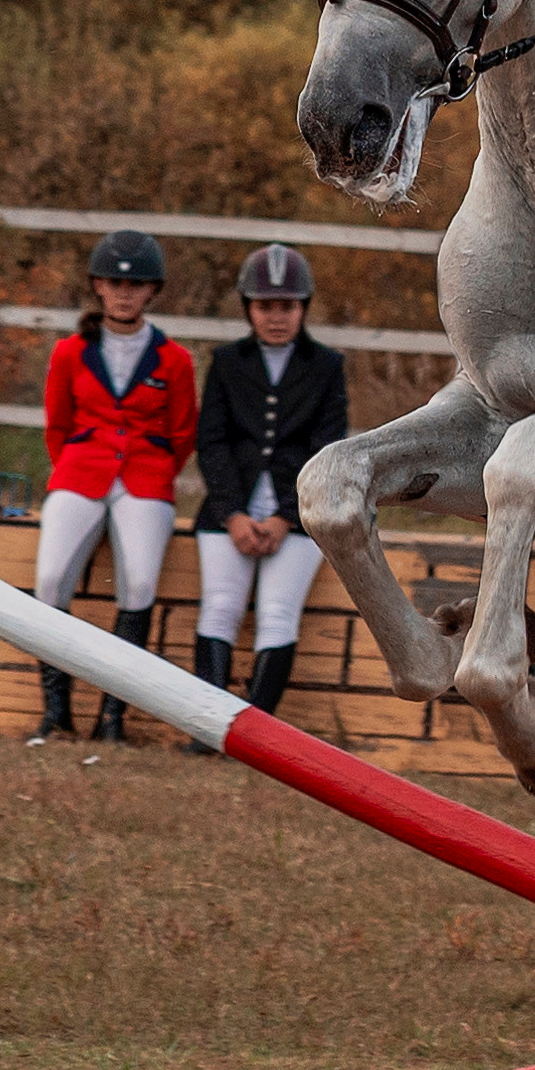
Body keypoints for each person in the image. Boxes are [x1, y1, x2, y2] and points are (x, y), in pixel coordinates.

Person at [28, 229, 198, 745]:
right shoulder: (69, 352)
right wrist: (77, 471)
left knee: (140, 585)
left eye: (136, 285)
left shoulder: (175, 360)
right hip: (81, 470)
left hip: (145, 478)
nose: (125, 294)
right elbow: (57, 425)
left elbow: (182, 433)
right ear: (98, 286)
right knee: (50, 579)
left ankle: (112, 717)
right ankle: (57, 713)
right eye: (114, 284)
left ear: (152, 291)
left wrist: (154, 475)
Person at [190, 243, 351, 723]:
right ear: (248, 308)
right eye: (265, 306)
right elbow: (212, 441)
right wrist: (233, 514)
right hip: (229, 510)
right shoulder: (226, 362)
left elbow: (326, 447)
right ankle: (207, 725)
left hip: (298, 515)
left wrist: (285, 516)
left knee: (278, 614)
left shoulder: (327, 366)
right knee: (220, 607)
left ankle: (255, 734)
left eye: (287, 306)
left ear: (303, 307)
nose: (276, 317)